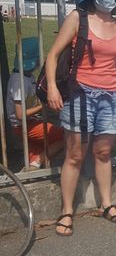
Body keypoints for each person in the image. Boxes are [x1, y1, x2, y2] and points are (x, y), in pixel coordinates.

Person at [45, 0, 116, 236]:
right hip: (80, 95)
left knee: (104, 153)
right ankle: (66, 211)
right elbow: (53, 55)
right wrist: (52, 86)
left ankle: (105, 205)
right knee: (74, 156)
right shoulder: (78, 18)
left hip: (111, 99)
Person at [6, 37, 64, 170]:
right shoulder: (18, 82)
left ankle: (33, 165)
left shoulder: (27, 76)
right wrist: (42, 107)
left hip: (29, 122)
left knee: (38, 153)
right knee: (66, 136)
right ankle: (37, 161)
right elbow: (20, 115)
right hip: (23, 125)